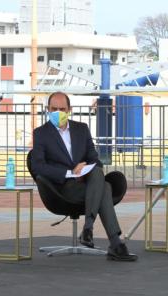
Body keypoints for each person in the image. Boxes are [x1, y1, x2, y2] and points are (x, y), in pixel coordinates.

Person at [30, 92, 137, 262]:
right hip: (62, 189)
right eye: (54, 109)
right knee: (106, 188)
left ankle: (89, 228)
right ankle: (114, 243)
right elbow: (37, 166)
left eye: (62, 109)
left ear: (70, 110)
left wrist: (83, 169)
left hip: (87, 182)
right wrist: (71, 172)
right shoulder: (41, 133)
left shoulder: (82, 129)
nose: (58, 113)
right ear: (48, 110)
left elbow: (95, 160)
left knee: (97, 172)